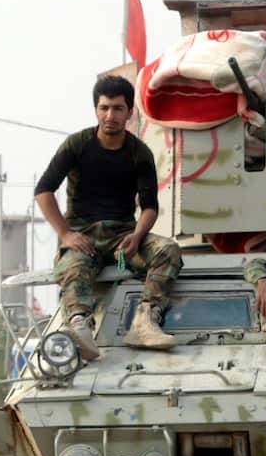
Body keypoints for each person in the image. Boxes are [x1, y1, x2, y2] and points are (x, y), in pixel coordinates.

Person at [34, 76, 182, 359]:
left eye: (117, 108)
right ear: (96, 110)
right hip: (83, 236)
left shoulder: (139, 153)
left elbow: (149, 207)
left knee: (168, 250)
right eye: (104, 108)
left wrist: (137, 236)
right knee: (75, 269)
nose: (110, 115)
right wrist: (66, 234)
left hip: (121, 238)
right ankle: (79, 328)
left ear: (129, 113)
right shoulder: (77, 144)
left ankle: (145, 320)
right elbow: (44, 190)